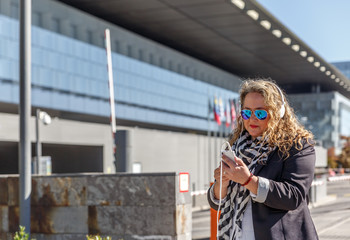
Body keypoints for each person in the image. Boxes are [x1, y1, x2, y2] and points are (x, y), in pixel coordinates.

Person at [207, 79, 318, 240]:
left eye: (260, 113)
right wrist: (221, 184)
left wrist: (248, 180)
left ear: (277, 113)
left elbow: (294, 196)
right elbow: (216, 203)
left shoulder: (298, 145)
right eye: (246, 112)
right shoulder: (237, 145)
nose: (252, 119)